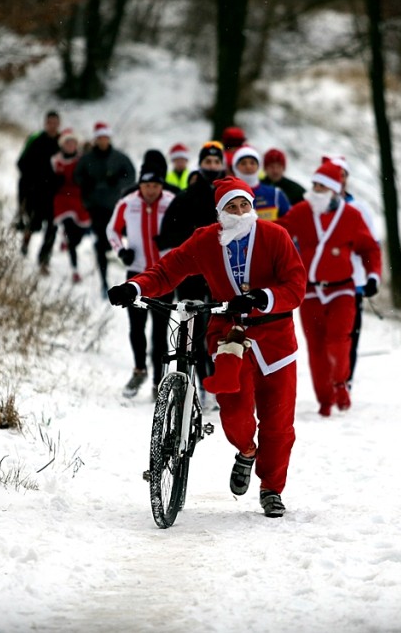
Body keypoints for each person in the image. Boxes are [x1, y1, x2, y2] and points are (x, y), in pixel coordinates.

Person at [107, 177, 307, 518]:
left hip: (275, 339)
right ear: (220, 212)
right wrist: (134, 288)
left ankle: (271, 489)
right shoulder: (205, 240)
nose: (240, 211)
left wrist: (265, 297)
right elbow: (166, 271)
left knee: (278, 422)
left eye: (244, 204)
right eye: (232, 206)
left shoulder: (275, 237)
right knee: (235, 413)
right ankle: (246, 450)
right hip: (229, 336)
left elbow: (295, 285)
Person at [277, 160, 382, 417]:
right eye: (313, 184)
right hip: (310, 290)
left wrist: (372, 277)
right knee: (316, 346)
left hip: (342, 290)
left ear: (334, 190)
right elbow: (278, 232)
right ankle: (324, 399)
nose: (315, 190)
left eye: (321, 186)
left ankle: (340, 384)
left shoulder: (351, 216)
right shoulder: (302, 212)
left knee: (338, 341)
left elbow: (369, 248)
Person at [154, 141, 228, 396]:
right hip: (193, 272)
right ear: (200, 164)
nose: (212, 166)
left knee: (221, 326)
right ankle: (192, 382)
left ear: (222, 165)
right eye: (207, 162)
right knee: (191, 327)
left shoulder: (229, 196)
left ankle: (219, 380)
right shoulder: (186, 197)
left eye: (216, 162)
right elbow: (168, 234)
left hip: (223, 273)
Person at [106, 150, 176, 398]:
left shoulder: (172, 200)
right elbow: (112, 230)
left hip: (165, 275)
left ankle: (159, 380)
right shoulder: (128, 202)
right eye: (146, 185)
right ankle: (139, 371)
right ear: (140, 185)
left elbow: (185, 233)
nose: (150, 190)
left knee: (160, 331)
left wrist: (172, 246)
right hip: (136, 273)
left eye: (155, 185)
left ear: (161, 185)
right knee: (136, 327)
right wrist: (121, 250)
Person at [74, 121, 137, 295]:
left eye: (105, 137)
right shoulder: (86, 159)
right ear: (95, 139)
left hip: (116, 206)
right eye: (99, 138)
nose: (102, 141)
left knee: (127, 240)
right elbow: (77, 176)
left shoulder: (119, 157)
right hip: (96, 207)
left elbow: (131, 175)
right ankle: (104, 281)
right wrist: (87, 183)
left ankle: (133, 275)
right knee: (101, 243)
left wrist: (118, 183)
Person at [334, 156, 380, 388]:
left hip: (354, 282)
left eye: (342, 175)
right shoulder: (313, 209)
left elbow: (372, 245)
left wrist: (373, 276)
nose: (337, 180)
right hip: (321, 284)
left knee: (349, 333)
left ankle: (345, 379)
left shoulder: (359, 208)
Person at [17, 110, 62, 265]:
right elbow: (21, 163)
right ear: (45, 123)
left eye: (55, 123)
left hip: (55, 194)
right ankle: (25, 242)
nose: (53, 126)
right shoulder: (36, 140)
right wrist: (29, 184)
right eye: (50, 123)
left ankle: (44, 259)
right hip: (36, 192)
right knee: (34, 223)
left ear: (59, 124)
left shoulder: (63, 142)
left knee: (52, 227)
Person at [44, 128, 90, 281]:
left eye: (73, 142)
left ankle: (67, 241)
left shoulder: (82, 160)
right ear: (62, 145)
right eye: (67, 142)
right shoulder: (55, 161)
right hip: (62, 200)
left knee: (79, 233)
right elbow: (47, 181)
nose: (71, 145)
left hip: (78, 200)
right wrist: (54, 182)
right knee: (62, 231)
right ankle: (74, 269)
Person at [230, 146, 290, 221]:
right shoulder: (227, 194)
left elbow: (289, 223)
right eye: (243, 163)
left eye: (252, 163)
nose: (248, 167)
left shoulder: (275, 194)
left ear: (259, 166)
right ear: (235, 167)